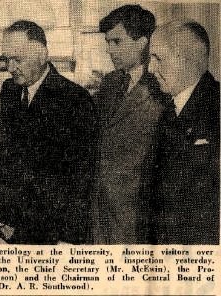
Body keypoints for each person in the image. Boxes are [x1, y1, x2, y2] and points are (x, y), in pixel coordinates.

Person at [0, 20, 98, 244]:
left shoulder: (75, 99)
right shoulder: (10, 91)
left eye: (17, 59)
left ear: (42, 55)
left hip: (54, 232)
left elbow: (81, 178)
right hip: (14, 228)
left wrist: (68, 237)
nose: (10, 67)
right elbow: (7, 157)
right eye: (7, 59)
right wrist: (3, 217)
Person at [91, 5, 167, 244]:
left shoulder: (162, 86)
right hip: (100, 211)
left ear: (142, 42)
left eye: (117, 42)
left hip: (135, 216)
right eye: (107, 42)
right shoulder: (110, 82)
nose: (109, 50)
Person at [148, 20, 220, 244]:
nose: (150, 69)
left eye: (158, 58)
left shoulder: (215, 107)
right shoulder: (169, 111)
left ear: (185, 60)